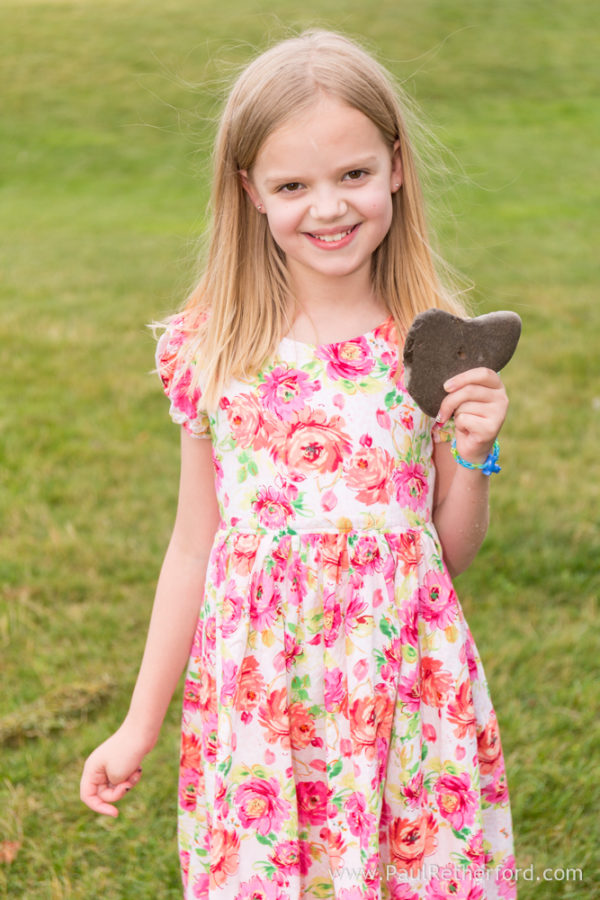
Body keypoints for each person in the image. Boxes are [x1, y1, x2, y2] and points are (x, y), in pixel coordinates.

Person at [80, 29, 517, 900]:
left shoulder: (427, 342)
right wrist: (139, 724)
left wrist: (473, 460)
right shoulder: (215, 348)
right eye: (293, 186)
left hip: (403, 685)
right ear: (251, 193)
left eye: (353, 175)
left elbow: (446, 553)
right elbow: (193, 546)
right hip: (259, 696)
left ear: (395, 166)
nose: (328, 208)